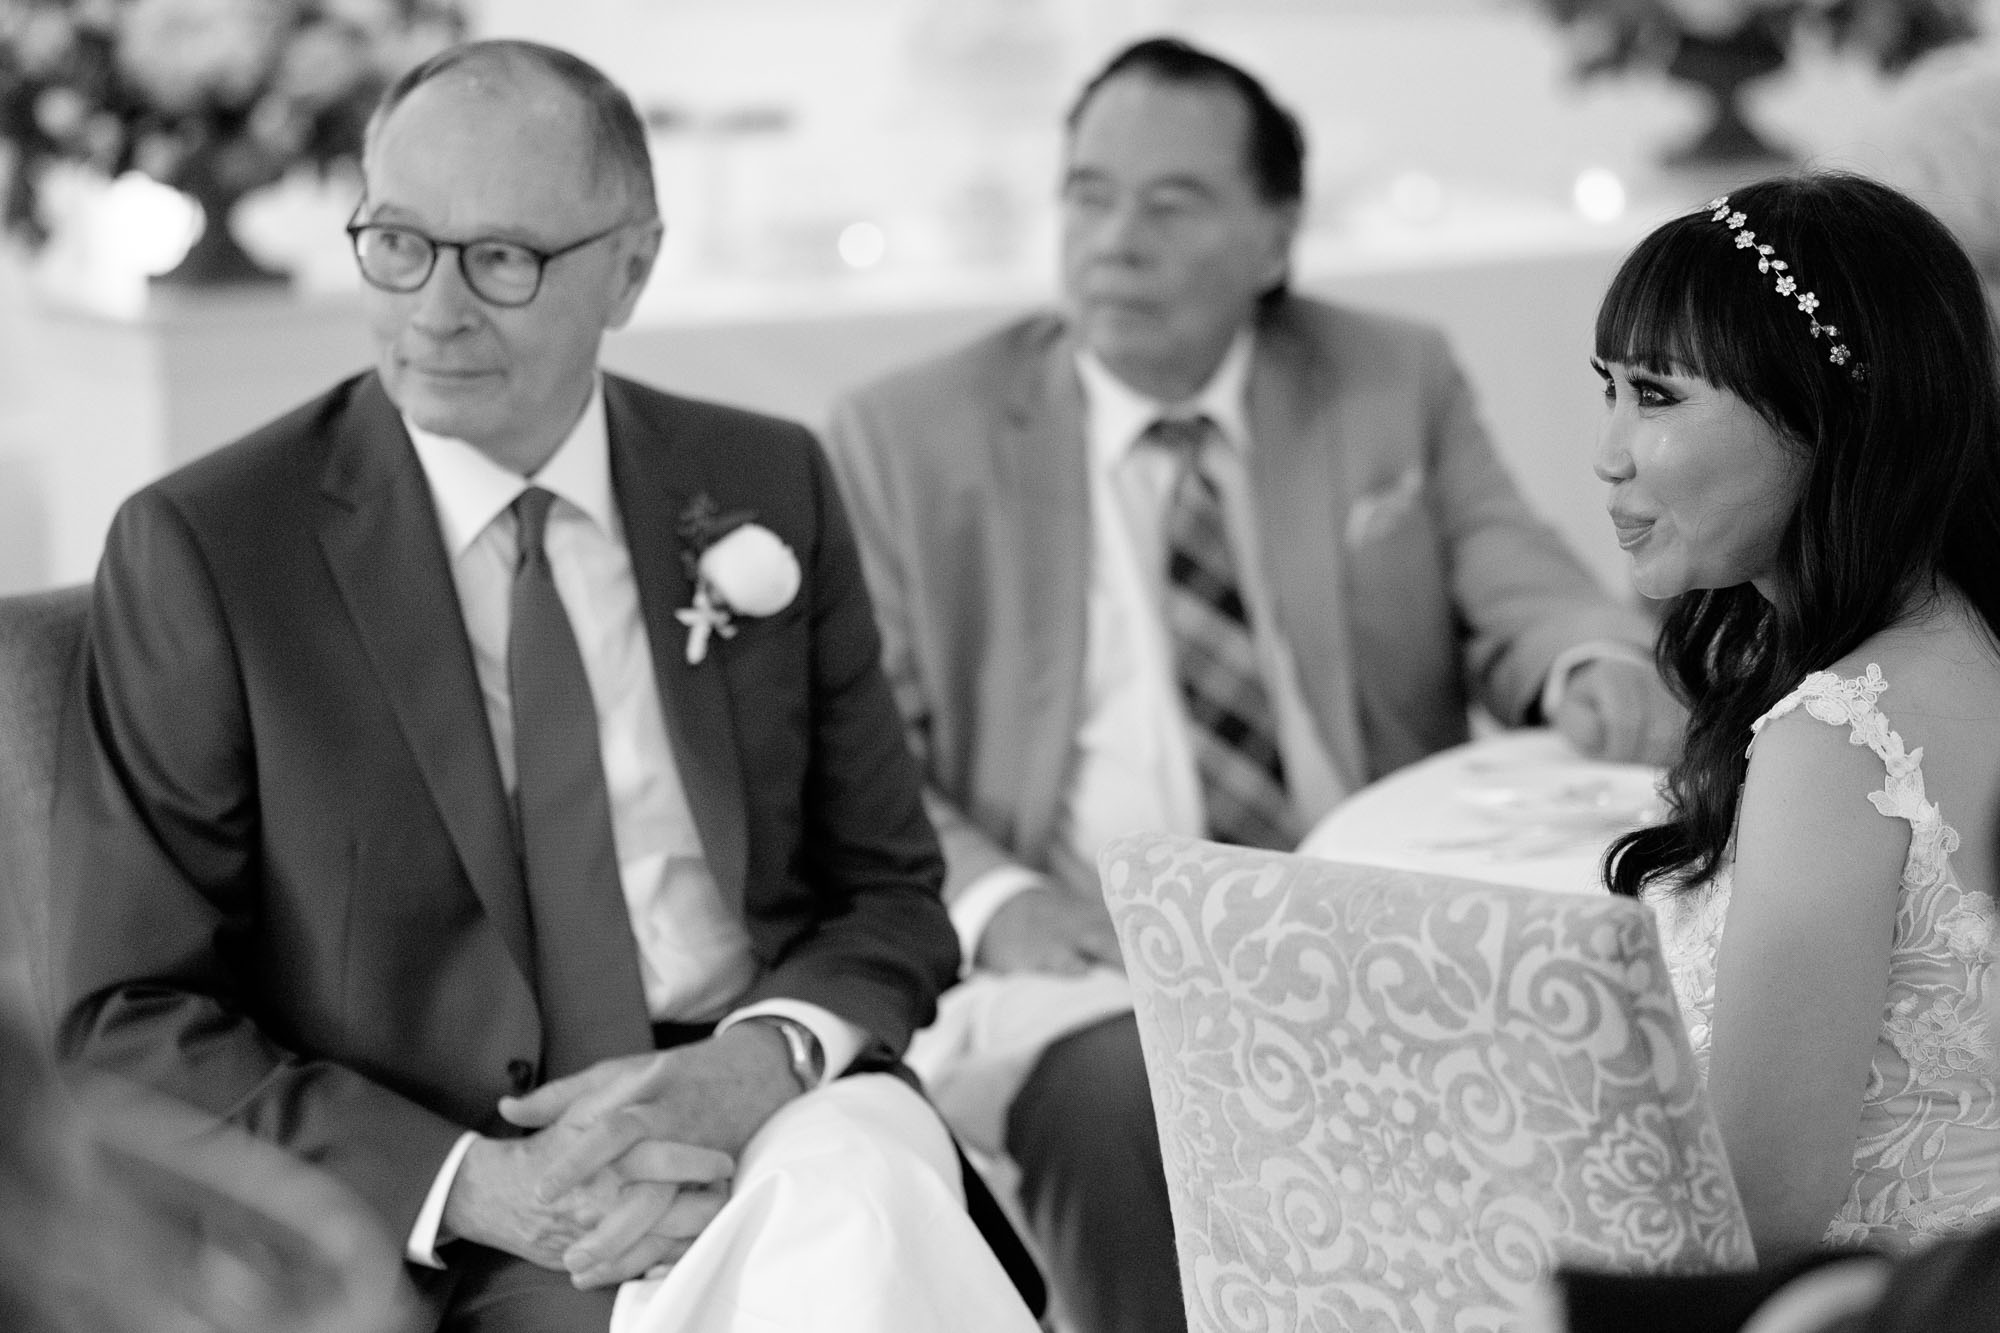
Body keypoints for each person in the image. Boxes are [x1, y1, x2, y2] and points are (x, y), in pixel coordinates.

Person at [51, 38, 1039, 1333]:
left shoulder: (762, 483)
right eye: (397, 241)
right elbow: (122, 1016)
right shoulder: (214, 548)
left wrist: (763, 1060)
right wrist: (479, 1185)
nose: (434, 309)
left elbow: (890, 892)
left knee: (853, 1211)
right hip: (466, 1203)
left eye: (504, 258)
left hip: (778, 1110)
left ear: (631, 268)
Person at [824, 34, 1677, 1333]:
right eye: (1089, 194)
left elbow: (1527, 579)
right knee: (1120, 1090)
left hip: (1372, 919)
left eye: (1171, 203)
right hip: (1090, 946)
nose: (1116, 239)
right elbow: (864, 751)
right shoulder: (908, 433)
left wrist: (1588, 659)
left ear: (1276, 236)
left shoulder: (1391, 378)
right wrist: (1001, 905)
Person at [1593, 172, 2000, 1260]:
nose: (1609, 452)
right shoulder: (1964, 637)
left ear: (1829, 415)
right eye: (1610, 392)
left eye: (1658, 396)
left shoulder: (1836, 738)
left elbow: (1753, 1209)